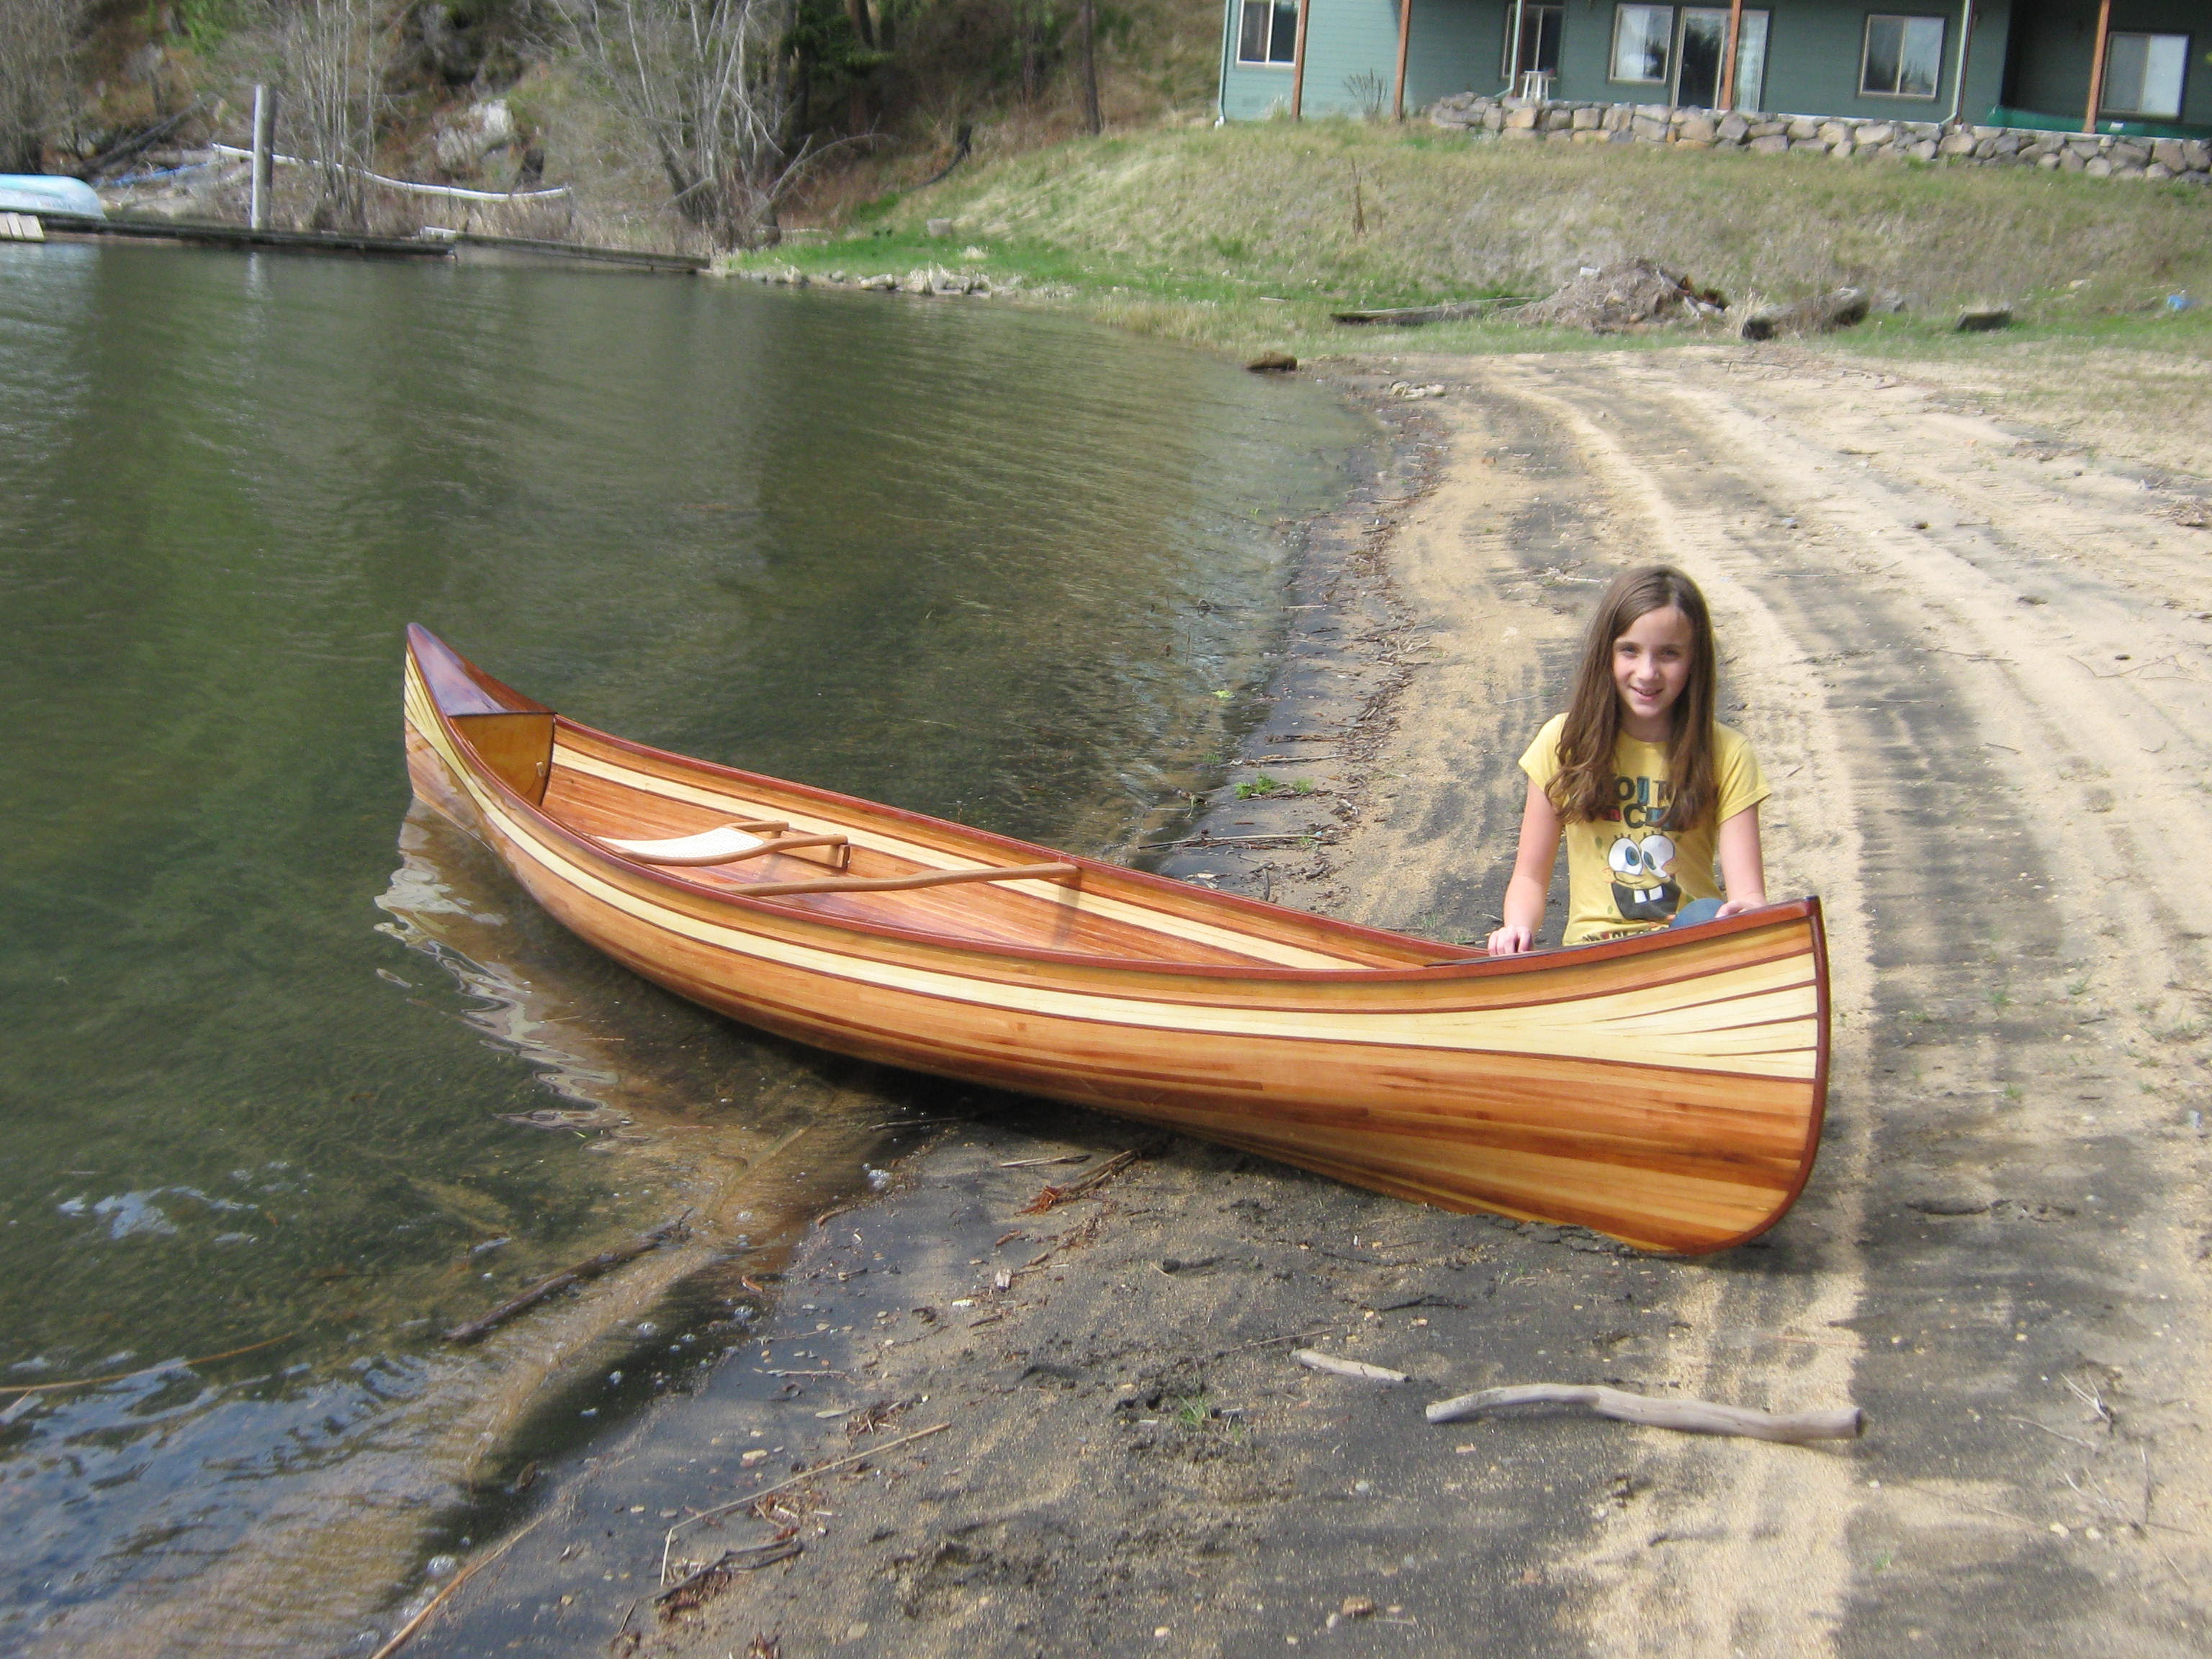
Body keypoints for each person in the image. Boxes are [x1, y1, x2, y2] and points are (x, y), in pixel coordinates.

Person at [1487, 565, 1768, 956]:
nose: (1648, 672)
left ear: (1694, 661)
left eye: (1669, 654)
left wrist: (1748, 914)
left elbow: (1749, 895)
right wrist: (1516, 927)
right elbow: (1530, 877)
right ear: (1607, 653)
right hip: (1593, 956)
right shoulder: (1563, 742)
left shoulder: (1727, 752)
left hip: (1690, 948)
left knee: (1706, 910)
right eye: (1630, 650)